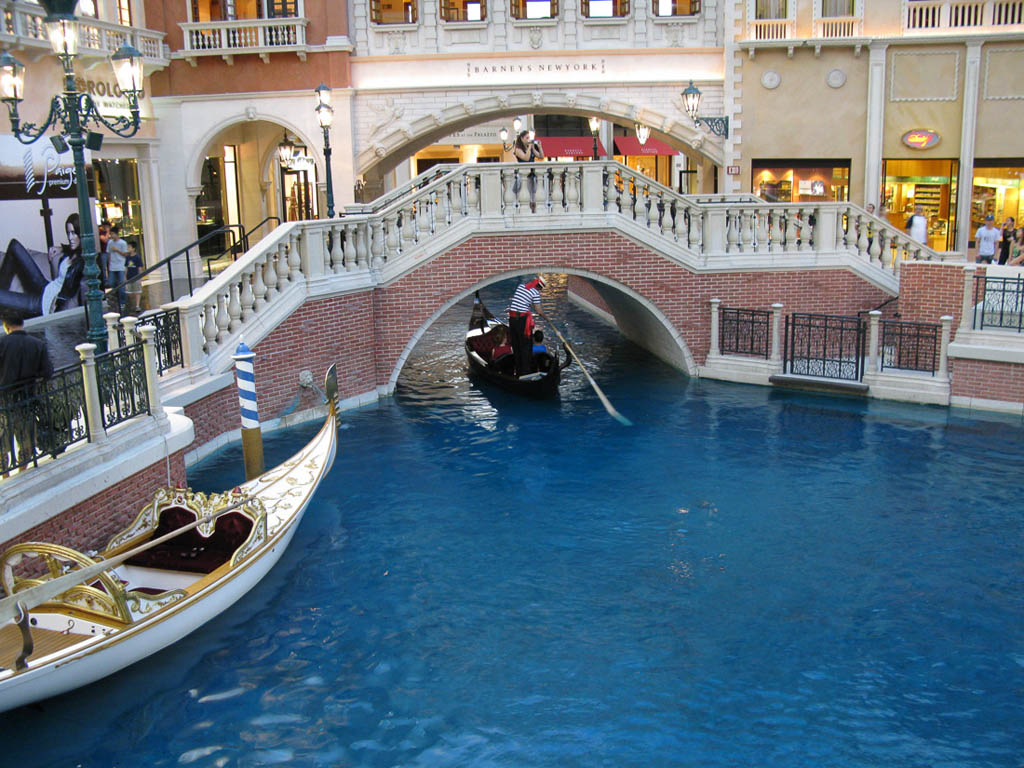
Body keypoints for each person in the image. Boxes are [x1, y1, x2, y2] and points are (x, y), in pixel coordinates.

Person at [0, 213, 85, 318]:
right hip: (46, 287)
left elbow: (72, 294)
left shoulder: (84, 261)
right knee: (14, 245)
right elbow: (71, 250)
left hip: (44, 303)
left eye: (74, 233)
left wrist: (55, 311)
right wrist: (62, 248)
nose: (70, 237)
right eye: (68, 233)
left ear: (81, 233)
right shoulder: (72, 252)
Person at [0, 310, 54, 471]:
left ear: (6, 327)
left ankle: (5, 476)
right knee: (26, 438)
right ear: (22, 324)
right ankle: (23, 470)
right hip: (27, 398)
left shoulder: (2, 344)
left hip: (4, 399)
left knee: (2, 440)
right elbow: (47, 372)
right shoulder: (37, 344)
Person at [507, 275, 545, 376]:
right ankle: (525, 372)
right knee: (525, 345)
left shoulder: (521, 286)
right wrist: (545, 317)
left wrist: (530, 303)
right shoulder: (535, 293)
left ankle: (518, 370)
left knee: (516, 344)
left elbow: (524, 300)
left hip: (512, 319)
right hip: (521, 321)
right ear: (540, 287)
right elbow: (539, 310)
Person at [512, 130, 545, 211]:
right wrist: (530, 148)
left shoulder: (530, 148)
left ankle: (533, 209)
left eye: (529, 138)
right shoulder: (518, 149)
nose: (529, 140)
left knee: (533, 197)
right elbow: (526, 158)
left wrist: (539, 147)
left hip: (531, 175)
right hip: (523, 176)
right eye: (527, 138)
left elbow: (541, 156)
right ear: (522, 138)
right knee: (524, 197)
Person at [107, 224, 130, 308]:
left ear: (117, 234)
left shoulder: (122, 243)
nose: (111, 236)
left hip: (120, 266)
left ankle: (122, 302)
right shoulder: (110, 243)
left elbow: (125, 254)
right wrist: (108, 265)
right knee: (111, 282)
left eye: (113, 234)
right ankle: (116, 298)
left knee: (121, 284)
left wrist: (117, 250)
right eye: (111, 234)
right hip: (112, 266)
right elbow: (108, 254)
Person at [124, 238, 143, 313]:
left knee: (137, 291)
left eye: (129, 247)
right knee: (130, 292)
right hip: (129, 277)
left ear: (133, 248)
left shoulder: (137, 257)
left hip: (136, 276)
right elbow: (126, 267)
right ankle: (133, 305)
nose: (128, 248)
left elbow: (140, 267)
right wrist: (125, 277)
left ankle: (137, 305)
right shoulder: (127, 257)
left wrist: (140, 277)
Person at [96, 221, 111, 287]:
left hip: (108, 252)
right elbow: (104, 240)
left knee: (110, 266)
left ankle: (111, 280)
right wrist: (107, 232)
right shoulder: (100, 232)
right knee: (104, 268)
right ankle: (105, 282)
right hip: (103, 252)